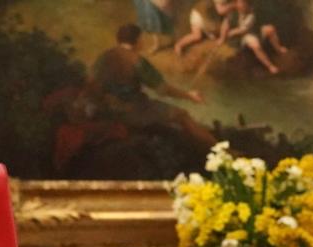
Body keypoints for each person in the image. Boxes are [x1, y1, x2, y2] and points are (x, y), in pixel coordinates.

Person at [87, 23, 216, 153]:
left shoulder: (104, 57)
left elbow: (91, 84)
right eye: (141, 39)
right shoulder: (137, 60)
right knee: (182, 115)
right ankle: (221, 152)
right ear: (137, 40)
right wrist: (189, 96)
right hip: (134, 110)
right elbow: (163, 90)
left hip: (107, 110)